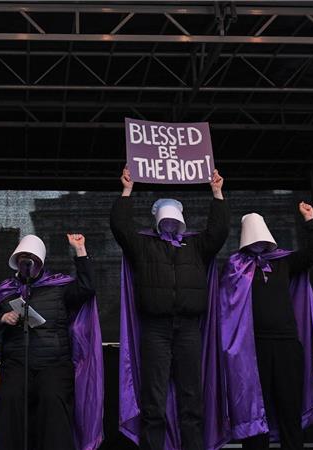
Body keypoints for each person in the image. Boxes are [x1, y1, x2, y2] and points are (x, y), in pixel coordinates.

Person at [112, 167, 230, 450]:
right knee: (154, 400)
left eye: (174, 220)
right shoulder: (144, 246)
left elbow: (219, 232)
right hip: (156, 329)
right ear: (157, 222)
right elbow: (121, 228)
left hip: (188, 329)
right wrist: (126, 191)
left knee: (192, 398)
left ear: (182, 221)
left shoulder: (196, 245)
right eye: (165, 220)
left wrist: (217, 193)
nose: (169, 224)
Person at [219, 205, 313, 450]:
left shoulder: (283, 262)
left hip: (286, 345)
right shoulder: (236, 266)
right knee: (255, 409)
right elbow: (227, 305)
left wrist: (310, 221)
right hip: (253, 349)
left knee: (289, 406)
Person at [0, 234, 103, 450]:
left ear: (40, 262)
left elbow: (87, 288)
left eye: (32, 259)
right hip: (16, 362)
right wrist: (2, 318)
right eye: (23, 259)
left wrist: (80, 250)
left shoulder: (59, 287)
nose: (27, 263)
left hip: (54, 363)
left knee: (52, 398)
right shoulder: (6, 291)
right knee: (10, 397)